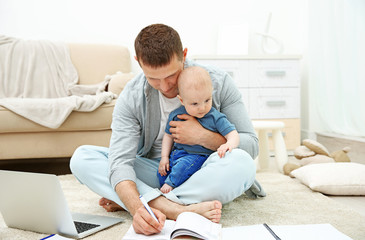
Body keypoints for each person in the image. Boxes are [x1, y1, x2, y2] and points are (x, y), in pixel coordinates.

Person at [70, 23, 263, 236]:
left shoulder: (218, 82)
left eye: (171, 75)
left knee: (242, 164)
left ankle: (150, 200)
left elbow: (250, 145)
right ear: (139, 63)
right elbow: (120, 162)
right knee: (82, 158)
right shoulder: (131, 96)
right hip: (158, 171)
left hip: (204, 167)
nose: (165, 86)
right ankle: (177, 209)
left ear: (184, 54)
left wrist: (202, 137)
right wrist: (137, 209)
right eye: (153, 78)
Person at [158, 66, 240, 194]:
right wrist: (164, 157)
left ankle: (172, 186)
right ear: (182, 100)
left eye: (207, 100)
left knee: (182, 167)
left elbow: (233, 134)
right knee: (162, 174)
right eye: (195, 104)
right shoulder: (176, 115)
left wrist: (229, 144)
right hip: (176, 155)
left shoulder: (215, 117)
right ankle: (177, 191)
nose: (202, 108)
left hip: (198, 157)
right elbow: (168, 136)